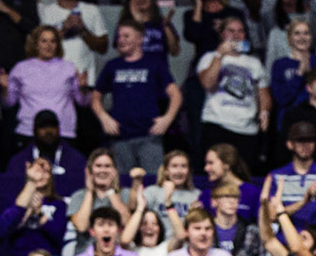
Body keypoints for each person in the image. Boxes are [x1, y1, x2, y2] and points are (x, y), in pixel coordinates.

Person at [90, 22, 179, 177]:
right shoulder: (112, 66)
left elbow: (175, 94)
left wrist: (167, 118)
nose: (121, 40)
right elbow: (96, 97)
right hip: (120, 136)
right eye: (119, 37)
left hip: (149, 135)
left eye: (126, 36)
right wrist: (104, 118)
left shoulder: (154, 64)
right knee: (121, 183)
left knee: (153, 182)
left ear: (140, 39)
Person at [197, 15, 272, 169]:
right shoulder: (209, 57)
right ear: (222, 34)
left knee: (244, 176)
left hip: (247, 129)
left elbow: (263, 92)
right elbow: (207, 82)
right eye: (231, 31)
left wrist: (264, 111)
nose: (236, 35)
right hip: (218, 125)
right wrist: (219, 55)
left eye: (240, 31)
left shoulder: (254, 62)